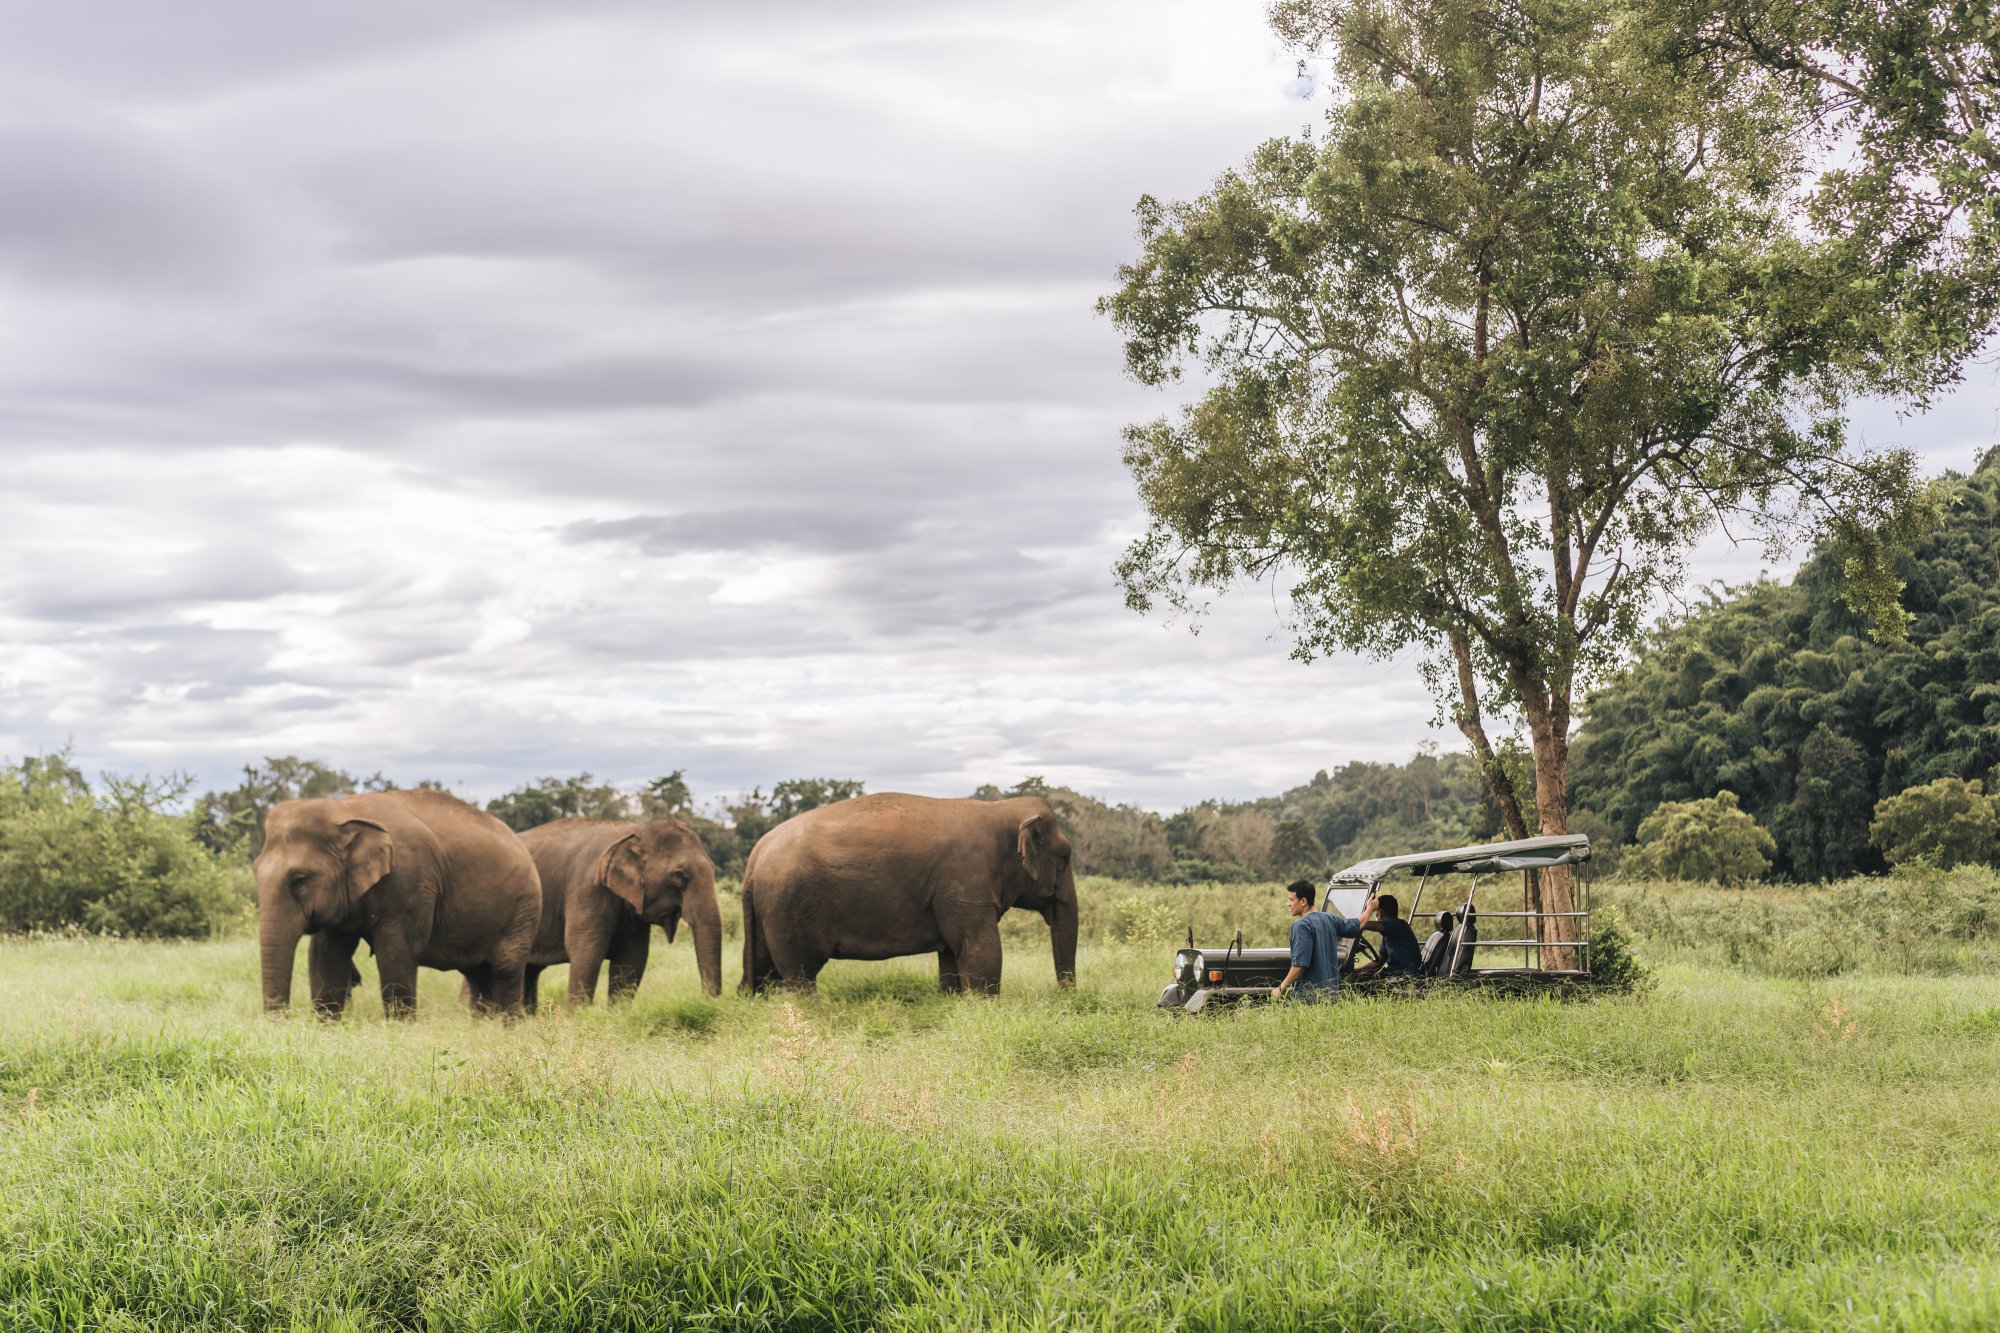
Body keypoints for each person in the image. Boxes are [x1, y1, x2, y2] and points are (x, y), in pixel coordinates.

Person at [1271, 879, 1362, 1002]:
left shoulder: (1302, 926)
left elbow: (1299, 966)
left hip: (1309, 998)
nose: (1288, 903)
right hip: (1331, 995)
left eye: (1291, 900)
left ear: (1303, 901)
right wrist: (1370, 908)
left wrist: (1280, 988)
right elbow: (1355, 925)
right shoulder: (1329, 918)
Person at [1352, 892, 1422, 979]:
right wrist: (1352, 972)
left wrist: (1368, 909)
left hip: (1404, 977)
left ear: (1379, 913)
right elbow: (1377, 964)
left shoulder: (1397, 925)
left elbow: (1362, 924)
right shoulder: (1389, 934)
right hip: (1394, 975)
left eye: (1375, 912)